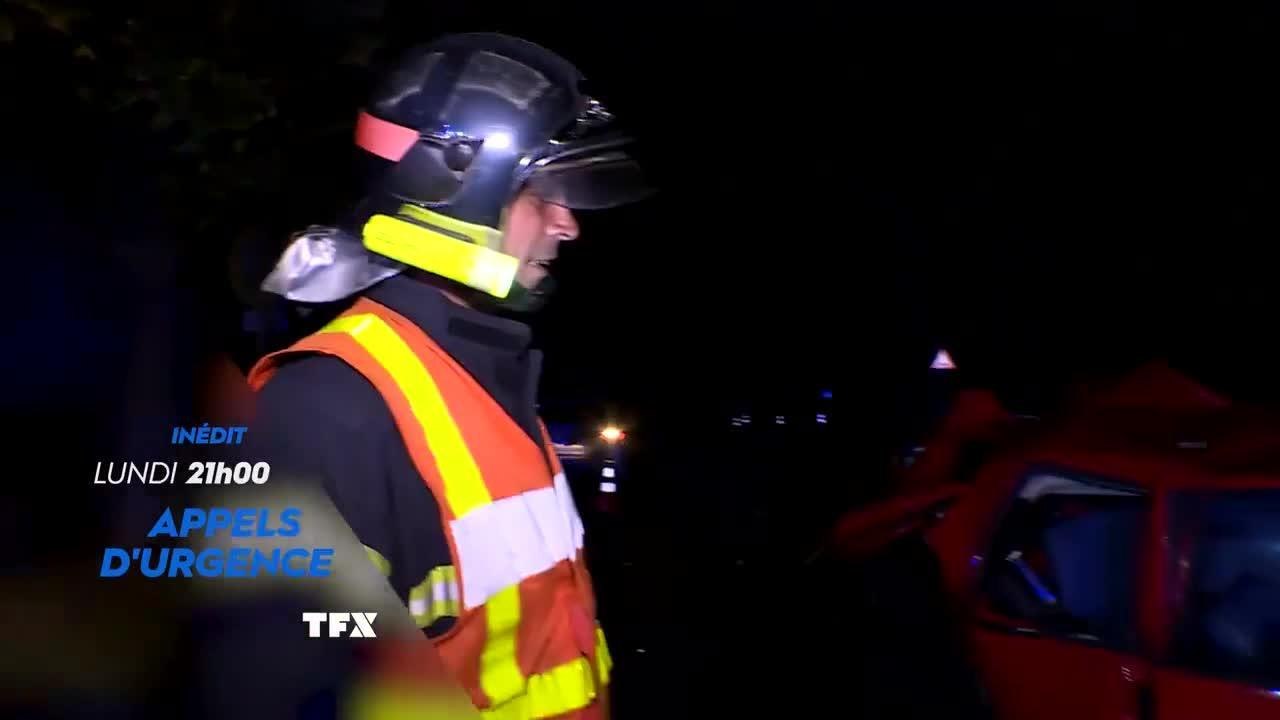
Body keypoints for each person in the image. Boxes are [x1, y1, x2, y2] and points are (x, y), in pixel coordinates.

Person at [244, 33, 651, 720]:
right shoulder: (332, 408)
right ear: (452, 187)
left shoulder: (487, 375)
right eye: (540, 193)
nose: (568, 225)